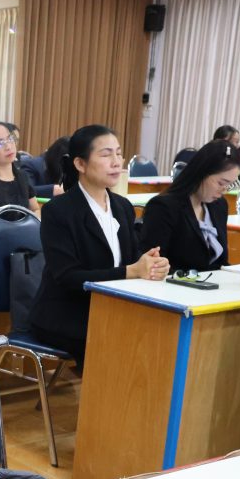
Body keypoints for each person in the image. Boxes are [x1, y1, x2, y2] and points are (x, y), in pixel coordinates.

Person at [30, 124, 169, 367]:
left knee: (159, 330)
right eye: (106, 155)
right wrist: (131, 271)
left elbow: (131, 258)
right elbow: (68, 277)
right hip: (66, 313)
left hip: (111, 306)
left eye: (119, 153)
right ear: (80, 164)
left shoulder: (122, 206)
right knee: (120, 337)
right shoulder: (57, 211)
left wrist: (151, 264)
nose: (116, 162)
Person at [139, 139, 240, 273]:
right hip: (174, 284)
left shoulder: (219, 205)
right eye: (221, 183)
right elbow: (154, 265)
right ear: (202, 172)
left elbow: (220, 262)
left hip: (211, 283)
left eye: (229, 185)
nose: (224, 191)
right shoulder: (163, 207)